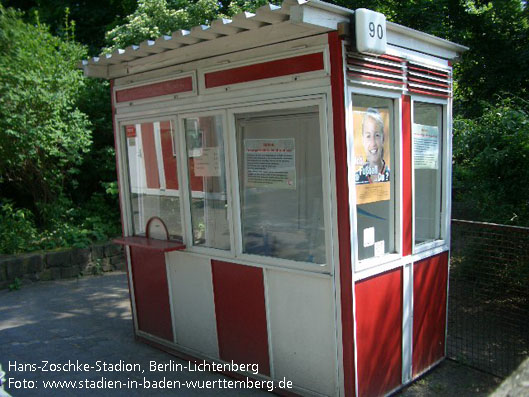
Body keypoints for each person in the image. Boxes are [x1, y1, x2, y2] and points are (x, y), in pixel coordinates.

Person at [355, 108, 390, 184]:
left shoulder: (393, 177)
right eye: (368, 136)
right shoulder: (355, 179)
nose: (373, 143)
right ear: (363, 140)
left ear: (383, 138)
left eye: (377, 135)